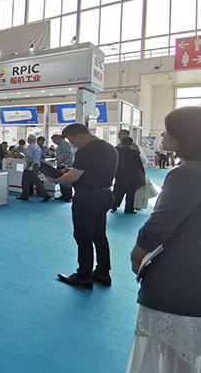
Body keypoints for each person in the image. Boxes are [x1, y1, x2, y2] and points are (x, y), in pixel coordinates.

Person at [118, 106, 201, 373]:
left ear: (184, 136)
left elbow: (158, 226)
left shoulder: (185, 174)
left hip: (178, 282)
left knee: (169, 361)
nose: (162, 135)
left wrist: (136, 255)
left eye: (168, 130)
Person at [48, 123, 118, 289]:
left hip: (87, 198)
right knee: (99, 235)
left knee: (83, 237)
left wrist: (56, 179)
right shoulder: (110, 148)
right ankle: (103, 272)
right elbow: (94, 169)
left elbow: (72, 177)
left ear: (80, 136)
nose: (74, 145)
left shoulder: (86, 150)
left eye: (73, 141)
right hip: (105, 195)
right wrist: (71, 170)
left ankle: (83, 276)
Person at [112, 137, 146, 215]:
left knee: (118, 190)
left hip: (119, 173)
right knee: (131, 192)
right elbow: (139, 164)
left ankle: (114, 205)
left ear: (122, 142)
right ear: (131, 143)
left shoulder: (117, 150)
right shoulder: (134, 152)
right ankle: (129, 208)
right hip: (131, 174)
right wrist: (143, 173)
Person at [16, 134, 50, 202]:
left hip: (31, 165)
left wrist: (27, 166)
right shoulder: (37, 147)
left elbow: (29, 157)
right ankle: (45, 194)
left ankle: (25, 195)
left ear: (30, 139)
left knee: (26, 181)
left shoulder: (30, 147)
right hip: (36, 165)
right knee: (36, 180)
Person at [52, 134, 75, 202]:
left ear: (57, 139)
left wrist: (60, 160)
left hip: (65, 165)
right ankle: (64, 195)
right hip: (61, 165)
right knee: (61, 181)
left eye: (54, 140)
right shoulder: (60, 145)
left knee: (66, 182)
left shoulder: (65, 144)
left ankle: (68, 196)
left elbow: (66, 152)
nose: (53, 142)